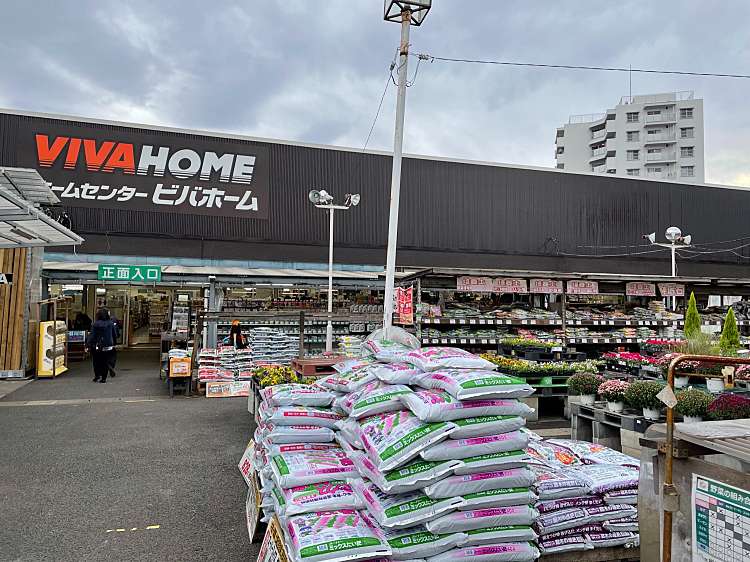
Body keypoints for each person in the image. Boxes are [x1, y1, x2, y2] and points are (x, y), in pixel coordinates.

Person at [86, 309, 117, 383]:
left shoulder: (95, 324)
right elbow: (114, 334)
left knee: (96, 361)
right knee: (105, 360)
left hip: (97, 345)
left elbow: (92, 335)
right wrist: (114, 342)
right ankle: (104, 378)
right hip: (108, 345)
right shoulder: (110, 323)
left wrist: (88, 344)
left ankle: (97, 375)